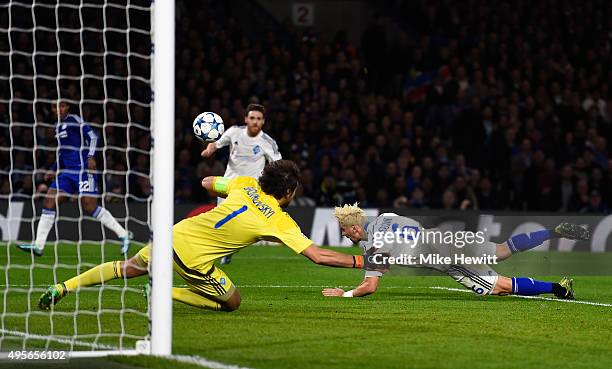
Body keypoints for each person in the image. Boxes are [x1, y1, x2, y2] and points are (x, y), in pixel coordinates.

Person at [38, 160, 368, 312]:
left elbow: (207, 183)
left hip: (173, 236)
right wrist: (361, 261)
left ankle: (63, 286)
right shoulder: (280, 222)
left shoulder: (245, 185)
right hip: (194, 261)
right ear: (291, 191)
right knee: (233, 302)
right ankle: (164, 294)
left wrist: (234, 185)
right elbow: (318, 255)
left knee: (126, 268)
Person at [322, 204, 591, 299]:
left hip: (448, 259)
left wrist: (344, 293)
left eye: (345, 231)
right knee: (501, 250)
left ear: (354, 228)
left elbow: (369, 286)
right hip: (450, 238)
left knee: (500, 287)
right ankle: (553, 232)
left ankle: (560, 288)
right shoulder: (386, 216)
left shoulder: (376, 243)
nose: (345, 236)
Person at [17, 94, 132, 257]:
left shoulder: (74, 120)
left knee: (89, 207)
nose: (58, 109)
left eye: (62, 105)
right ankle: (38, 245)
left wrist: (91, 157)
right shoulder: (57, 127)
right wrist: (53, 168)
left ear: (67, 107)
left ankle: (123, 234)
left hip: (83, 170)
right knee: (49, 201)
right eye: (55, 107)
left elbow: (93, 137)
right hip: (68, 173)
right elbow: (63, 153)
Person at [201, 103, 282, 265]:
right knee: (221, 224)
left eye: (259, 119)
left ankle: (232, 248)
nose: (255, 122)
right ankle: (216, 252)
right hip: (228, 186)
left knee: (243, 227)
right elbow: (216, 143)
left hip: (252, 191)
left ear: (263, 122)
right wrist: (210, 150)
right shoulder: (234, 132)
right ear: (246, 119)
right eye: (252, 118)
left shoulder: (268, 142)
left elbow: (279, 165)